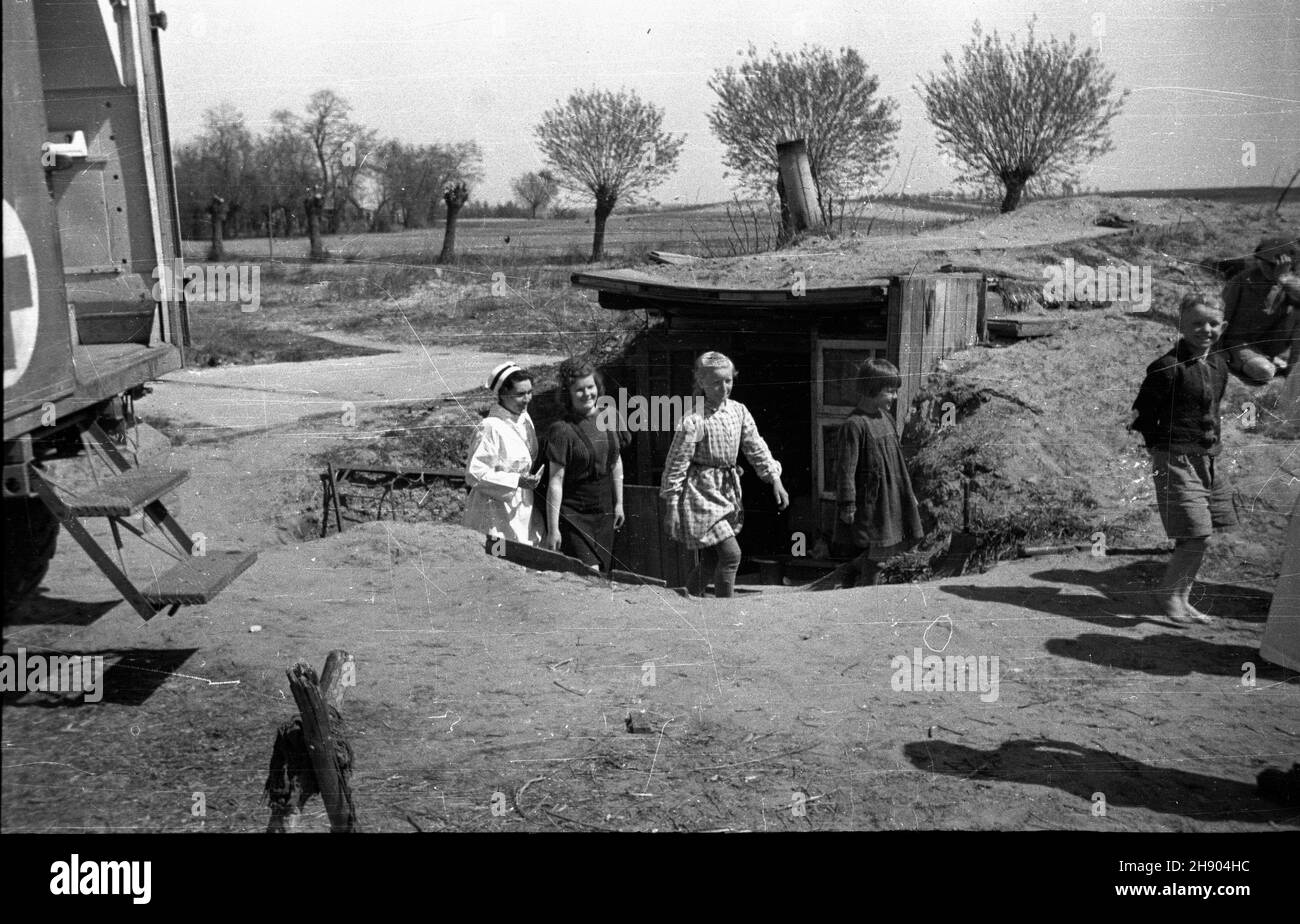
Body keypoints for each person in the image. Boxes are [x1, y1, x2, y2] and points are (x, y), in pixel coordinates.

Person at [1130, 292, 1237, 624]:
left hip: (1208, 458)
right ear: (1180, 325)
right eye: (1196, 323)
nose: (1205, 330)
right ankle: (1169, 595)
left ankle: (1182, 597)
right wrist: (1160, 451)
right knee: (1194, 533)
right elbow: (1143, 416)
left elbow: (1213, 409)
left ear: (1224, 325)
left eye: (1213, 323)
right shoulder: (1166, 367)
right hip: (1175, 457)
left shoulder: (1219, 363)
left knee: (1203, 533)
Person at [660, 351, 789, 598]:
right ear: (701, 383)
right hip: (701, 494)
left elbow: (755, 446)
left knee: (710, 559)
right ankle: (725, 609)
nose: (724, 387)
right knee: (731, 555)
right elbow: (677, 463)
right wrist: (672, 506)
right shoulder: (693, 419)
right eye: (716, 382)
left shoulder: (738, 411)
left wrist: (775, 479)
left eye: (728, 380)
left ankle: (686, 600)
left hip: (727, 491)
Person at [832, 359, 924, 587]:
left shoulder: (887, 419)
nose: (894, 397)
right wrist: (847, 504)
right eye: (890, 391)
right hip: (873, 502)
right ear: (872, 389)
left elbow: (898, 462)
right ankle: (865, 597)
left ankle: (854, 572)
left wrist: (908, 493)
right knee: (878, 556)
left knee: (887, 550)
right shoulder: (854, 425)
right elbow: (846, 470)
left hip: (892, 496)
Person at [541, 359, 625, 570]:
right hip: (574, 514)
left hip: (604, 510)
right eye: (579, 390)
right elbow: (555, 481)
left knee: (602, 573)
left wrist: (619, 503)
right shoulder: (562, 430)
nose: (587, 393)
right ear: (567, 394)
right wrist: (553, 529)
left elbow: (615, 462)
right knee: (589, 573)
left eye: (590, 387)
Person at [462, 362, 543, 544]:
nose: (528, 399)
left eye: (529, 392)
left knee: (522, 554)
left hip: (521, 505)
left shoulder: (524, 418)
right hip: (494, 510)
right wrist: (516, 481)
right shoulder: (490, 427)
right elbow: (474, 474)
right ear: (503, 394)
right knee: (498, 555)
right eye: (520, 394)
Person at [1221, 236, 1300, 384]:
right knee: (1264, 371)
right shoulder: (1242, 281)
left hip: (1268, 343)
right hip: (1239, 343)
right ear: (1259, 261)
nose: (1272, 269)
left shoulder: (1287, 283)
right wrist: (1216, 351)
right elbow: (1222, 318)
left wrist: (1284, 279)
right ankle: (1238, 360)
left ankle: (1293, 370)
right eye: (1268, 264)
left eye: (1278, 265)